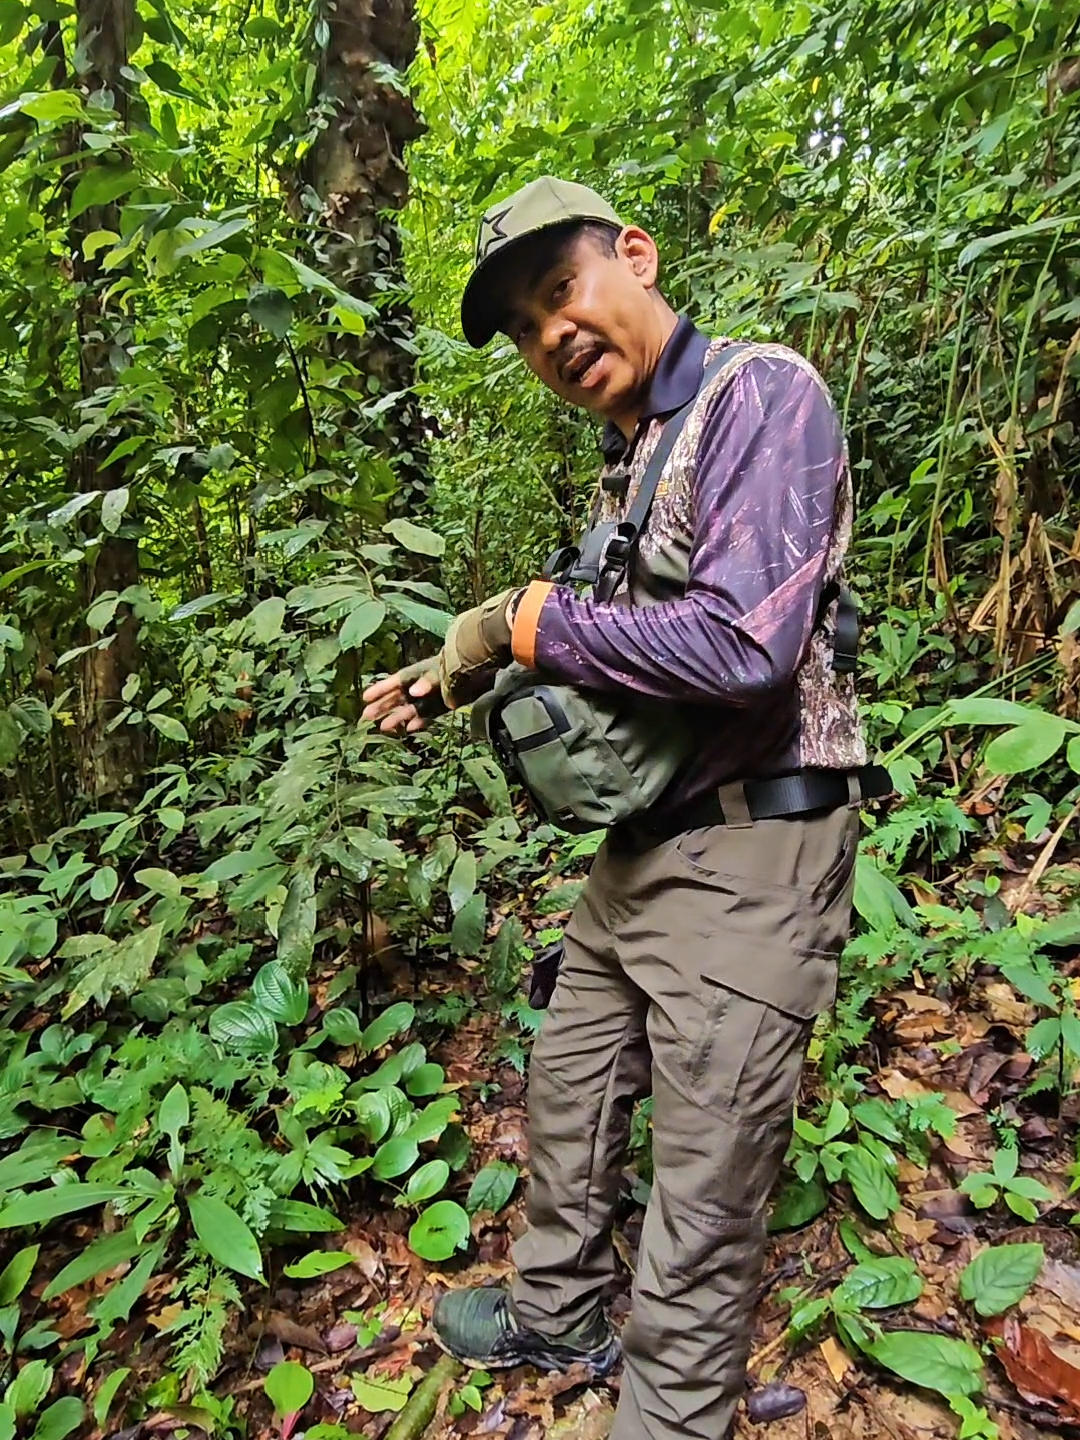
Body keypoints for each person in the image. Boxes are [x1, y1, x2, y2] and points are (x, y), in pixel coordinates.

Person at [361, 176, 880, 1440]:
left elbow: (744, 647)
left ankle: (669, 1413)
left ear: (633, 259)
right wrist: (456, 666)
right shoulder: (633, 457)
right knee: (572, 1079)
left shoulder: (763, 395)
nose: (556, 336)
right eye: (532, 331)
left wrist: (526, 621)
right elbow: (616, 638)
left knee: (702, 1200)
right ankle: (556, 1307)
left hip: (756, 845)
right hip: (642, 844)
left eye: (560, 292)